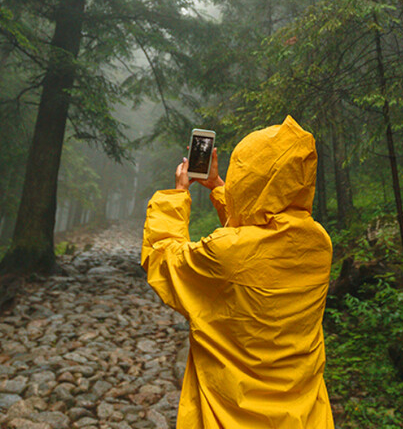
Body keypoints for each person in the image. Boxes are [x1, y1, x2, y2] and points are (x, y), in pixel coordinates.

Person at [141, 116, 334, 428]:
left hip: (227, 416)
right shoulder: (318, 244)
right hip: (304, 417)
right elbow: (259, 228)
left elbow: (163, 258)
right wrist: (218, 187)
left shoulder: (225, 254)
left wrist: (177, 193)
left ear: (248, 179)